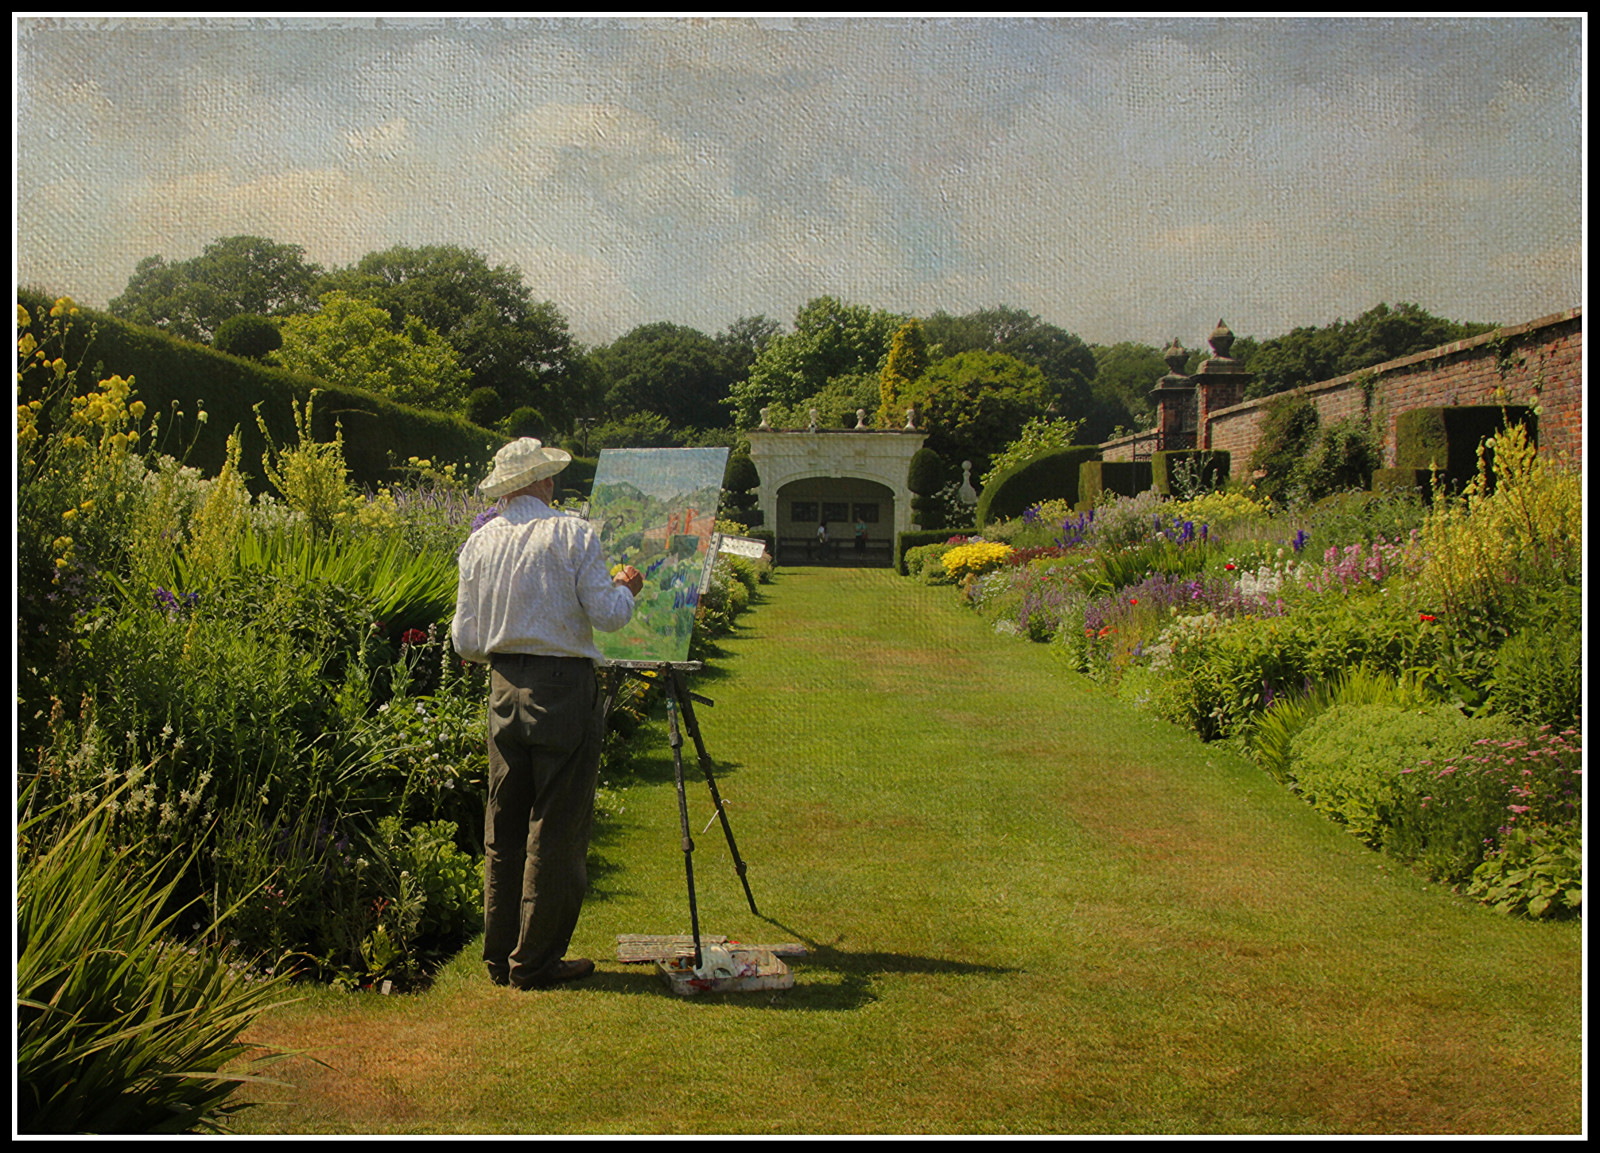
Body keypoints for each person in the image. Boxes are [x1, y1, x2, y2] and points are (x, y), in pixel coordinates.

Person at [451, 438, 643, 991]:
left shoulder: (479, 543)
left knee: (503, 827)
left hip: (503, 686)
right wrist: (628, 588)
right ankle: (534, 962)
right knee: (556, 828)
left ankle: (499, 956)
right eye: (550, 476)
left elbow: (465, 640)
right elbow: (607, 616)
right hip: (562, 690)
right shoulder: (572, 533)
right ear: (542, 482)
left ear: (504, 488)